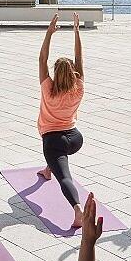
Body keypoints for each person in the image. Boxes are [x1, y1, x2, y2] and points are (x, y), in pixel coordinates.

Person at [36, 13, 86, 227]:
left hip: (54, 141)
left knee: (65, 177)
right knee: (57, 162)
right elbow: (79, 58)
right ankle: (48, 169)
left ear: (56, 73)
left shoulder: (49, 87)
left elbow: (41, 59)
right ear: (73, 73)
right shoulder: (79, 88)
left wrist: (49, 33)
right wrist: (76, 31)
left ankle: (77, 210)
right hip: (75, 138)